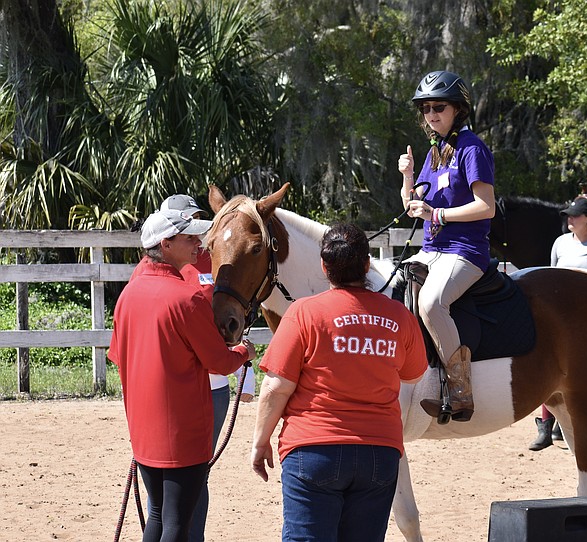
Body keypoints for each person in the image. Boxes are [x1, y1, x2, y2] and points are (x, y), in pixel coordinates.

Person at [251, 223, 427, 542]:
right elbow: (413, 375)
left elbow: (276, 387)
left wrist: (260, 442)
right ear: (367, 264)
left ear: (324, 267)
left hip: (313, 450)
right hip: (379, 453)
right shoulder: (399, 315)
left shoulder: (303, 313)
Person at [110, 208, 256, 542]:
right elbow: (220, 362)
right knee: (178, 522)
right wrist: (245, 351)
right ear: (166, 244)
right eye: (189, 238)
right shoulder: (186, 298)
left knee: (158, 515)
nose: (197, 244)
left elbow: (120, 356)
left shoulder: (128, 294)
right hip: (183, 430)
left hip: (144, 429)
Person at [397, 70, 496, 422]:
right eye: (425, 108)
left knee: (432, 303)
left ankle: (460, 391)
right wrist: (408, 178)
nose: (431, 114)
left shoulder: (472, 149)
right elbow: (413, 203)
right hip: (431, 250)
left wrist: (438, 213)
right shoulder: (435, 152)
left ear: (458, 109)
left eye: (439, 106)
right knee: (390, 290)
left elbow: (487, 207)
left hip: (464, 252)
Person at [161, 194, 257, 542]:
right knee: (171, 477)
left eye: (197, 221)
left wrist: (247, 373)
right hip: (174, 385)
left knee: (195, 474)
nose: (196, 234)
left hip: (214, 383)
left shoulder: (217, 255)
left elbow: (236, 312)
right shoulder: (164, 268)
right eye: (188, 225)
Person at [529, 196, 587, 451]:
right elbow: (550, 281)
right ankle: (546, 426)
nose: (570, 219)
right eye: (568, 215)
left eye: (575, 215)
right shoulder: (559, 243)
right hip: (561, 319)